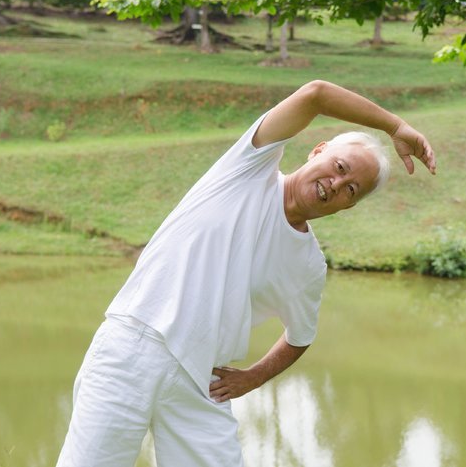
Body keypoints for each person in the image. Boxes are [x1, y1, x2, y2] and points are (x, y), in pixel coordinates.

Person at [56, 80, 436, 467]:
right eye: (339, 167)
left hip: (202, 382)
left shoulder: (308, 265)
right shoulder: (249, 168)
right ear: (317, 150)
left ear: (348, 206)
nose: (336, 184)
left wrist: (253, 376)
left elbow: (300, 336)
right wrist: (395, 127)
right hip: (134, 346)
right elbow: (316, 94)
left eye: (351, 189)